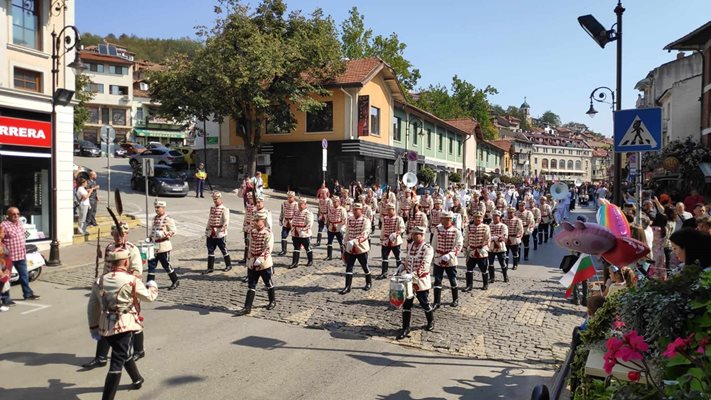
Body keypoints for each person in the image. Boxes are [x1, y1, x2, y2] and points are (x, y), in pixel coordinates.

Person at [87, 247, 158, 400]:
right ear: (126, 261)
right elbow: (149, 297)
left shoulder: (100, 280)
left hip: (105, 325)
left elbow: (93, 305)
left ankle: (137, 379)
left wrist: (93, 327)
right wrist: (153, 285)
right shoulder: (131, 280)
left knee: (123, 352)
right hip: (124, 325)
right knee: (116, 364)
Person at [82, 221, 144, 370]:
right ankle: (101, 357)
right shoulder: (109, 247)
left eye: (122, 234)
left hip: (126, 289)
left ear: (127, 234)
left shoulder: (132, 250)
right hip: (108, 290)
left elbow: (136, 272)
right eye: (116, 234)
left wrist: (124, 284)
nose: (119, 237)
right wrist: (103, 283)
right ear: (112, 234)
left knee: (133, 321)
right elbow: (106, 268)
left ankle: (139, 350)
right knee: (105, 320)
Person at [395, 226, 435, 340]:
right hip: (408, 281)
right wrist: (401, 267)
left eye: (416, 234)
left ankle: (431, 321)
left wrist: (412, 275)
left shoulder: (428, 248)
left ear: (422, 235)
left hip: (420, 280)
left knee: (424, 303)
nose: (414, 236)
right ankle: (405, 327)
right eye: (413, 234)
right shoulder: (410, 245)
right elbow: (407, 259)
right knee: (407, 304)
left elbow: (424, 266)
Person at [237, 210, 275, 315]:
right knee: (251, 285)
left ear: (263, 221)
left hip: (264, 263)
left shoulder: (268, 233)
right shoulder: (252, 232)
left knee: (268, 283)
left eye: (258, 220)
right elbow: (250, 246)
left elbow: (268, 248)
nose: (255, 222)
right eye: (255, 220)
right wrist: (249, 259)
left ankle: (272, 301)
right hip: (253, 262)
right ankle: (247, 307)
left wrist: (260, 260)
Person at [1, 207, 38, 300]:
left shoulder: (19, 223)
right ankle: (5, 298)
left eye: (18, 214)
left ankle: (28, 294)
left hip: (21, 254)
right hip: (9, 257)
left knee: (24, 276)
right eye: (14, 214)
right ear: (8, 215)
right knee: (6, 278)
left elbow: (23, 235)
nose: (16, 216)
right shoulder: (3, 225)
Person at [431, 211, 463, 309]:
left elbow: (459, 245)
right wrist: (433, 256)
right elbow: (434, 243)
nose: (441, 220)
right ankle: (437, 301)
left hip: (450, 259)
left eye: (443, 219)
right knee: (437, 280)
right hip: (439, 258)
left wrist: (450, 254)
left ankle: (455, 299)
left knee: (452, 279)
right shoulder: (437, 229)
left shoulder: (456, 231)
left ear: (449, 219)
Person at [340, 203, 372, 295]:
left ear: (360, 210)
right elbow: (348, 232)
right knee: (349, 266)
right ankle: (347, 286)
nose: (354, 211)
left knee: (364, 266)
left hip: (361, 247)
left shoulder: (365, 220)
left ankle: (368, 283)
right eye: (353, 209)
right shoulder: (350, 219)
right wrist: (345, 242)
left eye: (356, 210)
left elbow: (365, 233)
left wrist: (355, 241)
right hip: (350, 247)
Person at [147, 200, 179, 290]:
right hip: (154, 246)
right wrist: (149, 238)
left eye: (158, 208)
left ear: (163, 208)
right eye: (155, 208)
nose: (156, 209)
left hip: (163, 246)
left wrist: (164, 234)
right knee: (151, 265)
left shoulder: (168, 219)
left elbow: (174, 231)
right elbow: (153, 231)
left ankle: (175, 280)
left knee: (166, 264)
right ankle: (150, 283)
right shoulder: (155, 218)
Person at [202, 192, 231, 274]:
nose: (215, 201)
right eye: (214, 199)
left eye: (216, 199)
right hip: (211, 232)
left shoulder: (224, 209)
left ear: (220, 199)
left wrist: (225, 226)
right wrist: (207, 228)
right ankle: (210, 267)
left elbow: (226, 220)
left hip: (219, 232)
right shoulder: (212, 208)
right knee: (210, 249)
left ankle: (228, 265)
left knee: (223, 249)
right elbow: (209, 219)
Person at [464, 211, 491, 291]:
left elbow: (487, 239)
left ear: (482, 219)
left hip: (481, 251)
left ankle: (485, 284)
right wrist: (465, 249)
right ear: (473, 218)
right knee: (469, 269)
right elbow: (466, 239)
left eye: (479, 217)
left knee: (484, 269)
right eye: (476, 217)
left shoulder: (486, 227)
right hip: (471, 251)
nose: (477, 219)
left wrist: (482, 247)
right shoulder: (469, 227)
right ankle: (469, 285)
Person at [379, 203, 405, 280]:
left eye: (390, 210)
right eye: (387, 210)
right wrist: (381, 238)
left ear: (393, 210)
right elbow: (383, 229)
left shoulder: (398, 218)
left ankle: (399, 272)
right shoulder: (385, 218)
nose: (388, 211)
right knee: (384, 257)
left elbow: (402, 228)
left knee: (397, 257)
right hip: (386, 240)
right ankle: (384, 272)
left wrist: (396, 233)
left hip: (395, 240)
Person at [288, 197, 314, 269]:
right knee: (296, 248)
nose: (300, 205)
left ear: (305, 205)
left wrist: (303, 230)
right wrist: (292, 227)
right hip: (296, 233)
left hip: (304, 234)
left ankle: (310, 260)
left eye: (301, 204)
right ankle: (295, 262)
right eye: (299, 204)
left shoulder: (308, 213)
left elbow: (310, 224)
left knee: (307, 247)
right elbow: (292, 220)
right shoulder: (296, 212)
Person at [488, 210, 509, 284]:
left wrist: (494, 237)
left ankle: (505, 276)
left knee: (502, 263)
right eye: (493, 216)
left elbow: (504, 236)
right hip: (491, 247)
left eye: (496, 216)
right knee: (490, 263)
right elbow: (487, 235)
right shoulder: (490, 225)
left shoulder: (503, 226)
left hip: (500, 247)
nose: (495, 218)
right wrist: (492, 238)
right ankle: (491, 277)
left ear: (499, 217)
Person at [325, 196, 347, 260]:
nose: (334, 203)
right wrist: (327, 225)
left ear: (339, 202)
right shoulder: (330, 208)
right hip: (331, 227)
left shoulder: (342, 209)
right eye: (333, 202)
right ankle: (329, 256)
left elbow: (344, 219)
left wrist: (342, 228)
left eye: (336, 202)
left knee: (341, 242)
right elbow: (328, 217)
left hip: (338, 227)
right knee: (329, 242)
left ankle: (343, 255)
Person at [278, 191, 298, 256]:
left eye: (291, 197)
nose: (289, 199)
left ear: (293, 197)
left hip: (293, 222)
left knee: (294, 237)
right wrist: (280, 219)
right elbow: (282, 212)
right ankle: (283, 250)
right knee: (283, 235)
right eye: (288, 197)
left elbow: (297, 214)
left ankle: (296, 249)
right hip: (286, 222)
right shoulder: (284, 203)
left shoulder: (296, 204)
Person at [503, 205, 524, 270]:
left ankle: (515, 264)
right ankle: (505, 265)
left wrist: (519, 236)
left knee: (515, 253)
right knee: (506, 253)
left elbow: (520, 229)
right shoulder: (504, 220)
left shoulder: (517, 220)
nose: (509, 214)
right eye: (508, 212)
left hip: (514, 238)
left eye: (511, 212)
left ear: (514, 213)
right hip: (506, 238)